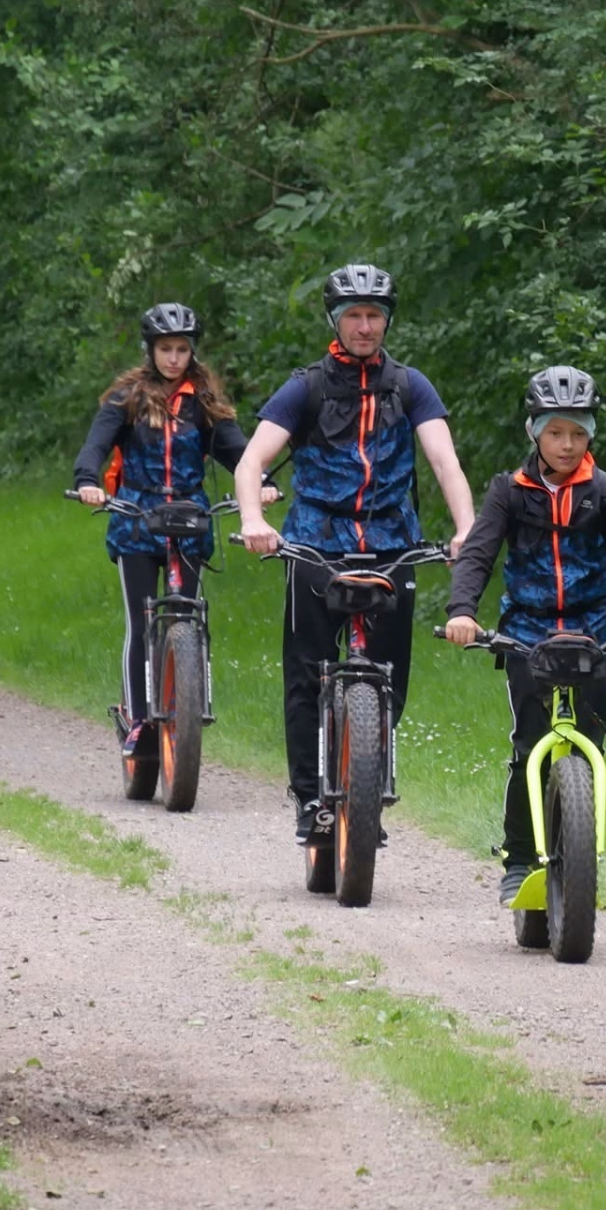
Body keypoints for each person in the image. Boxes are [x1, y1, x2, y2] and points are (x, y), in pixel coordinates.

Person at [234, 264, 476, 844]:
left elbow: (445, 462)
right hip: (316, 543)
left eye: (375, 316)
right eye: (355, 316)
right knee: (306, 676)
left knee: (391, 680)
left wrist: (467, 529)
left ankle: (364, 786)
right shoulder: (308, 387)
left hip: (393, 545)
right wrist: (252, 518)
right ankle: (311, 799)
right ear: (335, 321)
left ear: (387, 321)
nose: (365, 327)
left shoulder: (410, 386)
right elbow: (251, 462)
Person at [443, 365, 606, 905]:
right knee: (528, 744)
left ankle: (578, 860)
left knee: (590, 746)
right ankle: (519, 858)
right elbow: (480, 552)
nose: (567, 444)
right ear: (534, 431)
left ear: (591, 434)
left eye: (578, 432)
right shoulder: (509, 492)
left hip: (593, 634)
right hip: (528, 635)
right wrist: (463, 611)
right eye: (556, 432)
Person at [71, 303, 275, 765]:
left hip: (189, 518)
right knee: (141, 621)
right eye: (166, 348)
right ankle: (139, 718)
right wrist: (88, 481)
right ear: (151, 350)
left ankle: (189, 701)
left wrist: (262, 483)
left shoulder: (203, 403)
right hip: (136, 517)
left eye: (182, 349)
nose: (174, 358)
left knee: (189, 616)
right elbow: (96, 445)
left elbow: (238, 452)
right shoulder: (127, 397)